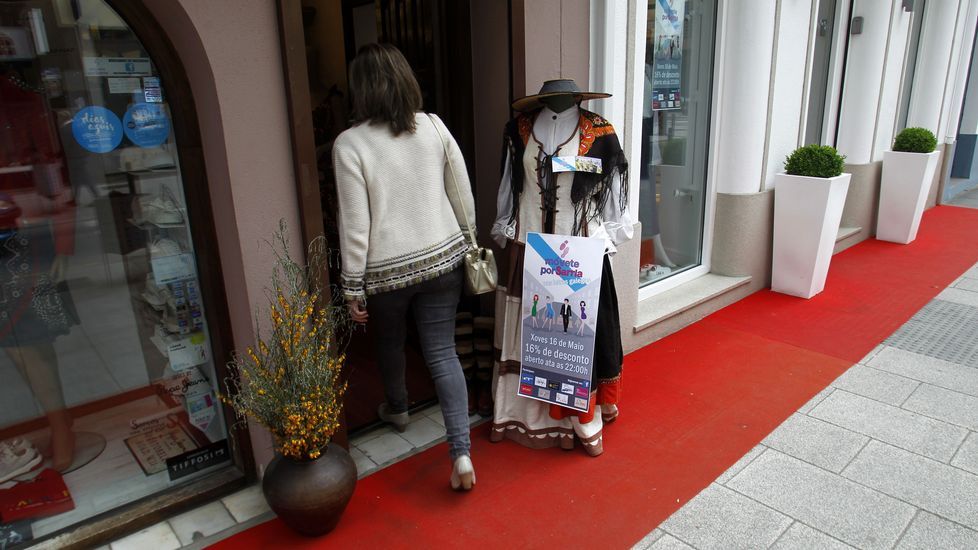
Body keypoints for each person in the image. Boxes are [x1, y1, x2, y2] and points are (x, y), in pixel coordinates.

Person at [333, 43, 477, 491]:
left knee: (390, 341)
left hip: (387, 273)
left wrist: (352, 287)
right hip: (444, 258)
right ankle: (462, 453)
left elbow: (356, 225)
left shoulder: (349, 144)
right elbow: (461, 191)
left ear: (362, 90)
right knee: (442, 352)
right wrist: (469, 241)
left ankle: (397, 409)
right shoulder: (433, 126)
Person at [490, 79, 631, 456]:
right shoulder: (519, 130)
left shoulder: (599, 131)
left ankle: (583, 418)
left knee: (577, 336)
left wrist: (612, 232)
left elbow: (612, 194)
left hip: (578, 251)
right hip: (530, 246)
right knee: (536, 331)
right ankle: (523, 413)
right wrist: (505, 223)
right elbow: (511, 182)